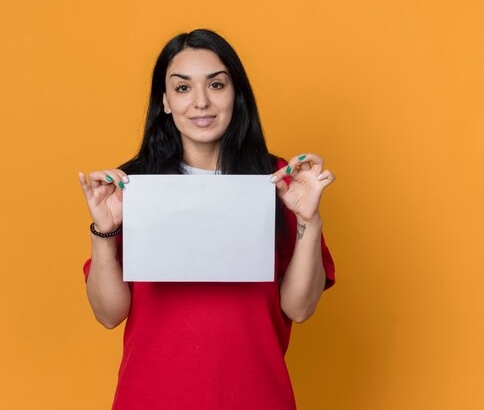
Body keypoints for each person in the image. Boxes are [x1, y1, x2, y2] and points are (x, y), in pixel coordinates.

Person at [78, 29, 336, 410]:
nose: (201, 102)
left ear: (236, 95)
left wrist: (309, 221)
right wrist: (104, 230)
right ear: (164, 101)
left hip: (256, 396)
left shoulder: (277, 180)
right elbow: (108, 314)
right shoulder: (131, 185)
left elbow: (299, 307)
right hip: (151, 396)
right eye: (182, 88)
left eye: (216, 85)